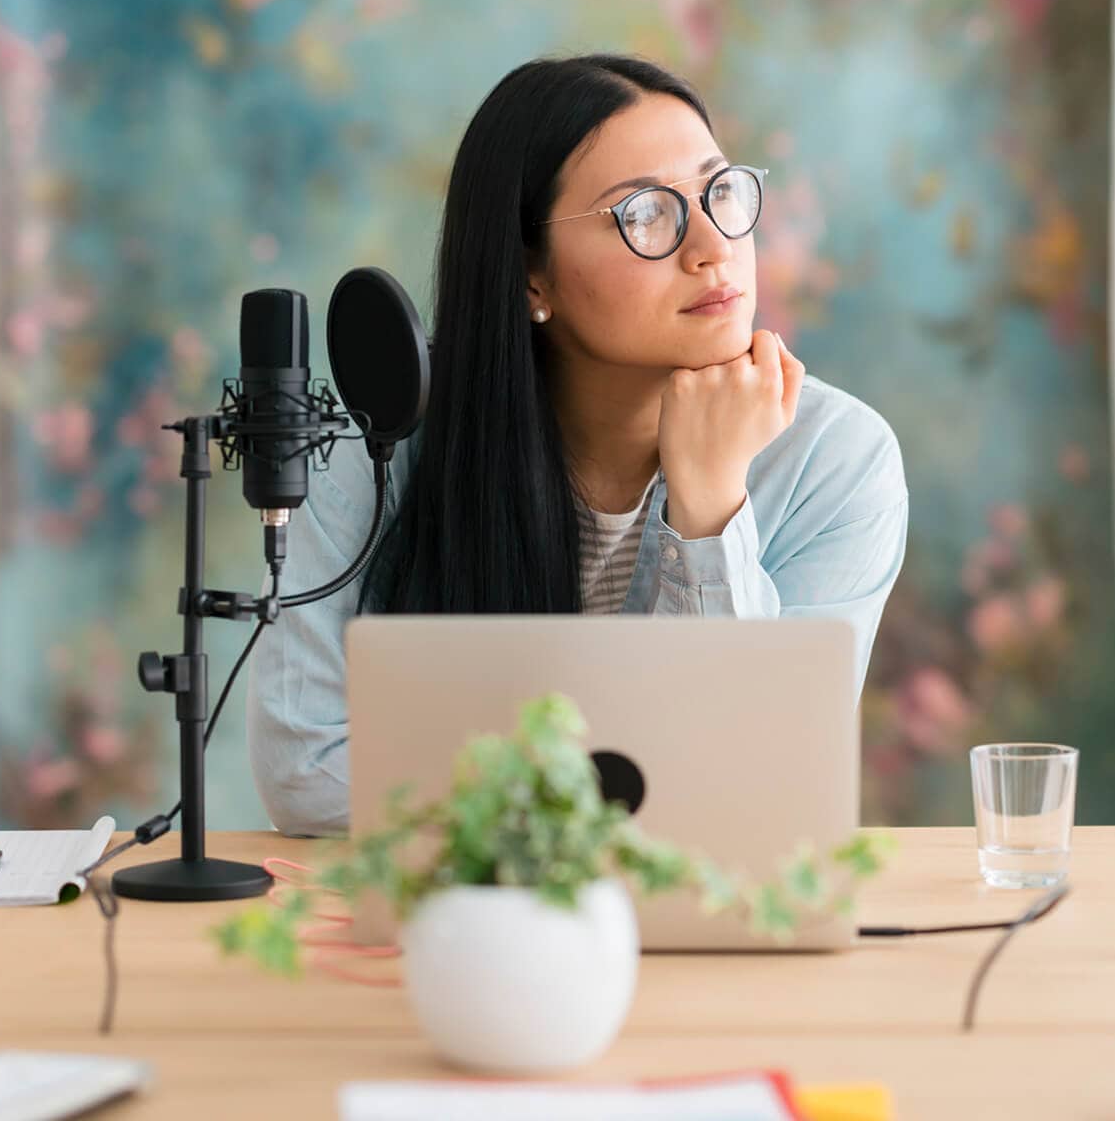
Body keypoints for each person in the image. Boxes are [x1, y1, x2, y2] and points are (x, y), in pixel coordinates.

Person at [247, 54, 909, 836]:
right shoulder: (379, 450)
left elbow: (756, 788)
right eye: (646, 213)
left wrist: (709, 510)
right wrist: (603, 806)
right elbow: (308, 772)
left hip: (712, 936)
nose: (713, 247)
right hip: (454, 928)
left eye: (719, 192)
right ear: (533, 279)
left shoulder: (836, 459)